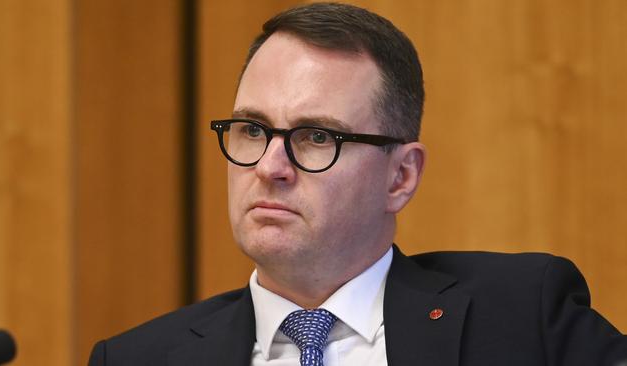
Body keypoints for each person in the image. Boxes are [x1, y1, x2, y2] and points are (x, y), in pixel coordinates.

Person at [88, 3, 627, 365]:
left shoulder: (520, 315)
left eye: (317, 136)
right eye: (252, 130)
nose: (270, 166)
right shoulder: (141, 357)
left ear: (401, 175)